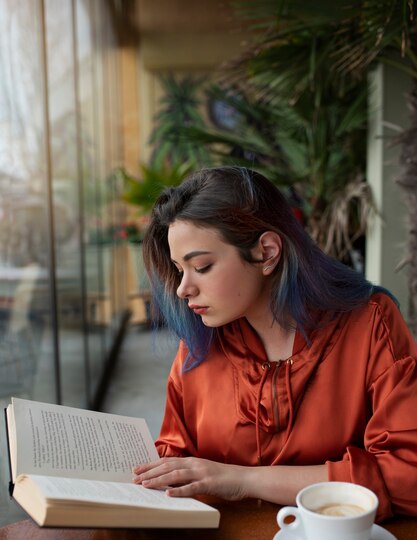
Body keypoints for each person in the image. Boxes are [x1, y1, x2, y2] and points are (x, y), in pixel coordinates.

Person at [132, 166, 417, 521]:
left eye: (201, 267)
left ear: (267, 252)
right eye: (179, 269)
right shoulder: (200, 341)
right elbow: (176, 457)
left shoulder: (371, 324)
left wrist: (244, 480)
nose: (182, 288)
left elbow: (408, 475)